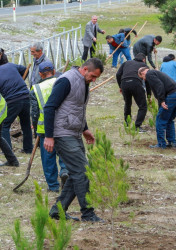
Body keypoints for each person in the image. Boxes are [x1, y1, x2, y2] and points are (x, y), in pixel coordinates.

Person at [44, 58, 104, 222]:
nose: (93, 80)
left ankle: (58, 211)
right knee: (82, 171)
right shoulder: (66, 81)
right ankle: (88, 213)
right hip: (62, 133)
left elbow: (76, 108)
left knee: (76, 173)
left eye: (95, 78)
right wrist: (49, 136)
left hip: (74, 132)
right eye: (92, 76)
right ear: (85, 69)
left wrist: (85, 129)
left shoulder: (83, 82)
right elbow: (49, 107)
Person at [30, 61, 69, 192]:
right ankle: (64, 171)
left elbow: (35, 113)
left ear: (40, 74)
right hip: (63, 126)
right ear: (53, 71)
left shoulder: (36, 89)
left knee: (48, 158)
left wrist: (36, 129)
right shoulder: (64, 82)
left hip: (45, 129)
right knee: (64, 152)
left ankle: (53, 186)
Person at [0, 59, 33, 154]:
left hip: (13, 101)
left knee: (4, 125)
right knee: (26, 124)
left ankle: (8, 150)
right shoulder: (10, 65)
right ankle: (28, 149)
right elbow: (25, 69)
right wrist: (21, 79)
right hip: (26, 96)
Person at [138, 67, 176, 149]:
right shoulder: (156, 73)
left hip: (172, 95)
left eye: (142, 78)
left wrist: (162, 100)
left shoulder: (149, 74)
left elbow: (159, 85)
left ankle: (161, 144)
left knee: (160, 120)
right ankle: (172, 142)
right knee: (169, 119)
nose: (144, 80)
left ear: (142, 73)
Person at [116, 53, 150, 132]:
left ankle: (127, 124)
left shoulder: (126, 62)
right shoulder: (144, 66)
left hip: (124, 83)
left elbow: (118, 74)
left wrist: (120, 86)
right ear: (144, 59)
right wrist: (149, 95)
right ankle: (137, 126)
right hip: (136, 83)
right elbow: (147, 81)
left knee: (128, 104)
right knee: (143, 106)